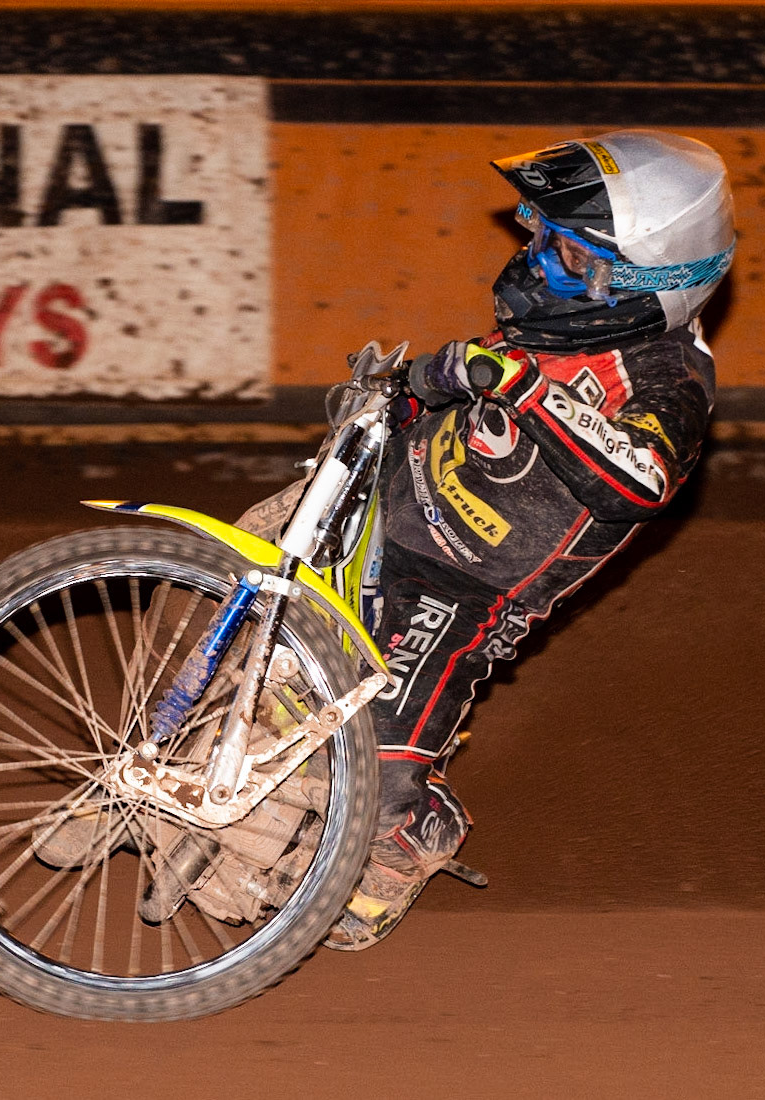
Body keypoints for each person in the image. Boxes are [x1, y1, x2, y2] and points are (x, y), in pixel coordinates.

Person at [312, 129, 737, 949]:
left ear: (648, 282)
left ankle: (414, 831)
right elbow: (474, 376)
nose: (539, 262)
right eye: (542, 235)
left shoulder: (669, 380)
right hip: (385, 501)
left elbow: (641, 479)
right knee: (225, 586)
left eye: (569, 255)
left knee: (374, 773)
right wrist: (410, 390)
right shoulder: (566, 319)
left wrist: (525, 386)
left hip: (462, 592)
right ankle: (144, 767)